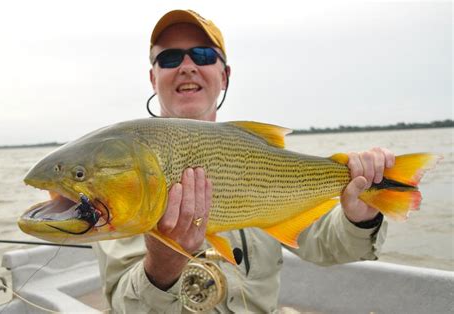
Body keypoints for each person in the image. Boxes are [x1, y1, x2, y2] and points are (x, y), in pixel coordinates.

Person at [94, 9, 393, 313]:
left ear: (224, 76)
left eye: (202, 55)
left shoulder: (258, 155)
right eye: (170, 58)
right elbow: (123, 306)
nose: (187, 66)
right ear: (152, 77)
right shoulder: (122, 173)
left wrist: (361, 216)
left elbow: (329, 246)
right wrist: (162, 262)